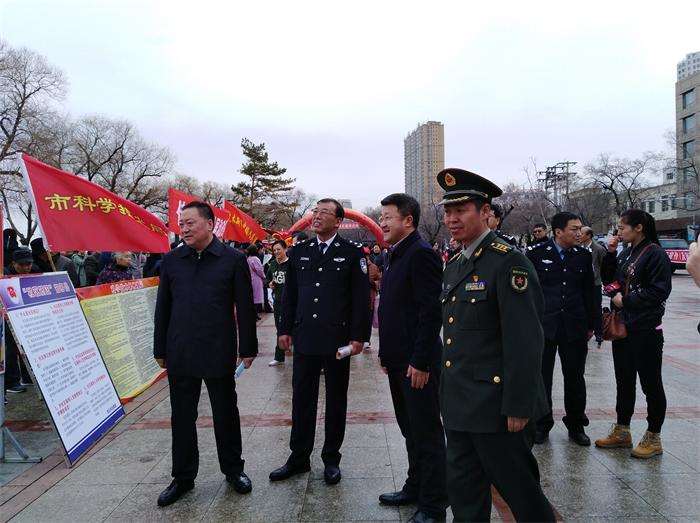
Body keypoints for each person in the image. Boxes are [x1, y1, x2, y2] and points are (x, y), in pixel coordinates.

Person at [438, 168, 554, 522]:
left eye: (461, 210)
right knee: (465, 496)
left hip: (497, 408)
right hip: (460, 404)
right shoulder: (455, 263)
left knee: (522, 495)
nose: (452, 219)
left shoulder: (508, 262)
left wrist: (519, 405)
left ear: (485, 211)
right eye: (448, 211)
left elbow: (525, 340)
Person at [153, 201, 258, 507]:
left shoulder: (233, 259)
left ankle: (233, 470)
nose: (184, 229)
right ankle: (183, 477)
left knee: (225, 413)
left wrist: (248, 348)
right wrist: (160, 348)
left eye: (190, 223)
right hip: (181, 349)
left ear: (210, 224)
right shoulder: (172, 260)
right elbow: (163, 308)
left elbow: (245, 307)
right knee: (182, 416)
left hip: (218, 348)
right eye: (181, 224)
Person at [270, 198, 370, 486]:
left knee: (336, 400)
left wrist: (359, 337)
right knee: (302, 399)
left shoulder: (351, 253)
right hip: (305, 337)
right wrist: (284, 329)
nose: (316, 216)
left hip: (337, 339)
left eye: (324, 212)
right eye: (315, 211)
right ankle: (299, 457)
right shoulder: (300, 251)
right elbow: (290, 295)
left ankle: (331, 458)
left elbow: (360, 299)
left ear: (338, 221)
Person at [377, 193, 448, 523]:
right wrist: (385, 353)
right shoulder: (395, 253)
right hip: (398, 359)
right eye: (381, 217)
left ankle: (433, 504)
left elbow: (430, 313)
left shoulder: (421, 254)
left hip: (417, 363)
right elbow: (392, 310)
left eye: (387, 217)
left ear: (408, 220)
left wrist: (420, 362)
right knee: (410, 429)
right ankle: (415, 486)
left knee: (427, 432)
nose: (382, 222)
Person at [594, 209, 672, 459]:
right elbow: (610, 278)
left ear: (639, 227)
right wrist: (610, 253)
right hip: (624, 328)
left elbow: (659, 291)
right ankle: (622, 430)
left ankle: (653, 436)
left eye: (622, 226)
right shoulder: (626, 252)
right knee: (624, 381)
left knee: (651, 383)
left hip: (646, 329)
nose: (619, 231)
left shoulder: (655, 253)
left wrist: (625, 301)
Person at [527, 211, 596, 446]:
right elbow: (529, 292)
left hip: (574, 325)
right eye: (574, 229)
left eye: (580, 229)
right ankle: (541, 423)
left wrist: (592, 324)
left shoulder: (583, 256)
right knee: (542, 377)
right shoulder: (536, 253)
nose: (579, 233)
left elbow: (589, 292)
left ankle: (576, 424)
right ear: (558, 232)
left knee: (575, 377)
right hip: (544, 326)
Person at [3, 247, 39, 393]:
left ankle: (27, 376)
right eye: (22, 264)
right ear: (13, 263)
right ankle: (11, 382)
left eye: (28, 264)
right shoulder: (4, 274)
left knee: (27, 345)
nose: (26, 267)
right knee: (10, 348)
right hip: (7, 316)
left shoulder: (35, 270)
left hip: (25, 315)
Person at [581, 226, 608, 347]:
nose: (579, 235)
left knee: (596, 308)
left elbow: (604, 265)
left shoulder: (598, 249)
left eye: (582, 233)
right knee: (584, 308)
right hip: (582, 284)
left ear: (588, 235)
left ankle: (599, 333)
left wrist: (599, 277)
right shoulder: (579, 247)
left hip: (595, 283)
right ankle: (587, 330)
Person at [266, 239, 290, 366]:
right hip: (278, 301)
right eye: (274, 250)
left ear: (285, 249)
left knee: (295, 329)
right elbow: (267, 279)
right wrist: (269, 283)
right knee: (279, 329)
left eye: (278, 249)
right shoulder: (273, 264)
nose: (276, 252)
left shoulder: (291, 264)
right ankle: (279, 357)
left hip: (291, 302)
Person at [246, 244, 266, 315]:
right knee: (257, 297)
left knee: (253, 296)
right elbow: (259, 270)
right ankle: (255, 313)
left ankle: (253, 313)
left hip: (250, 278)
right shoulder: (255, 259)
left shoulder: (248, 259)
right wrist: (263, 276)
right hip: (256, 279)